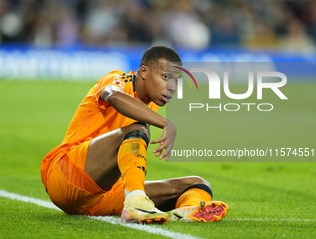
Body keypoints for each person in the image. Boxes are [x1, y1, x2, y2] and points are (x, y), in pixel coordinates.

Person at [40, 45, 228, 224]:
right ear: (144, 72)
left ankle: (186, 211)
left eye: (176, 81)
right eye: (165, 77)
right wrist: (166, 123)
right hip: (66, 175)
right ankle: (136, 202)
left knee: (198, 184)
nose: (172, 87)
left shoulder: (151, 103)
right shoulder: (118, 80)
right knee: (137, 129)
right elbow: (113, 96)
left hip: (102, 197)